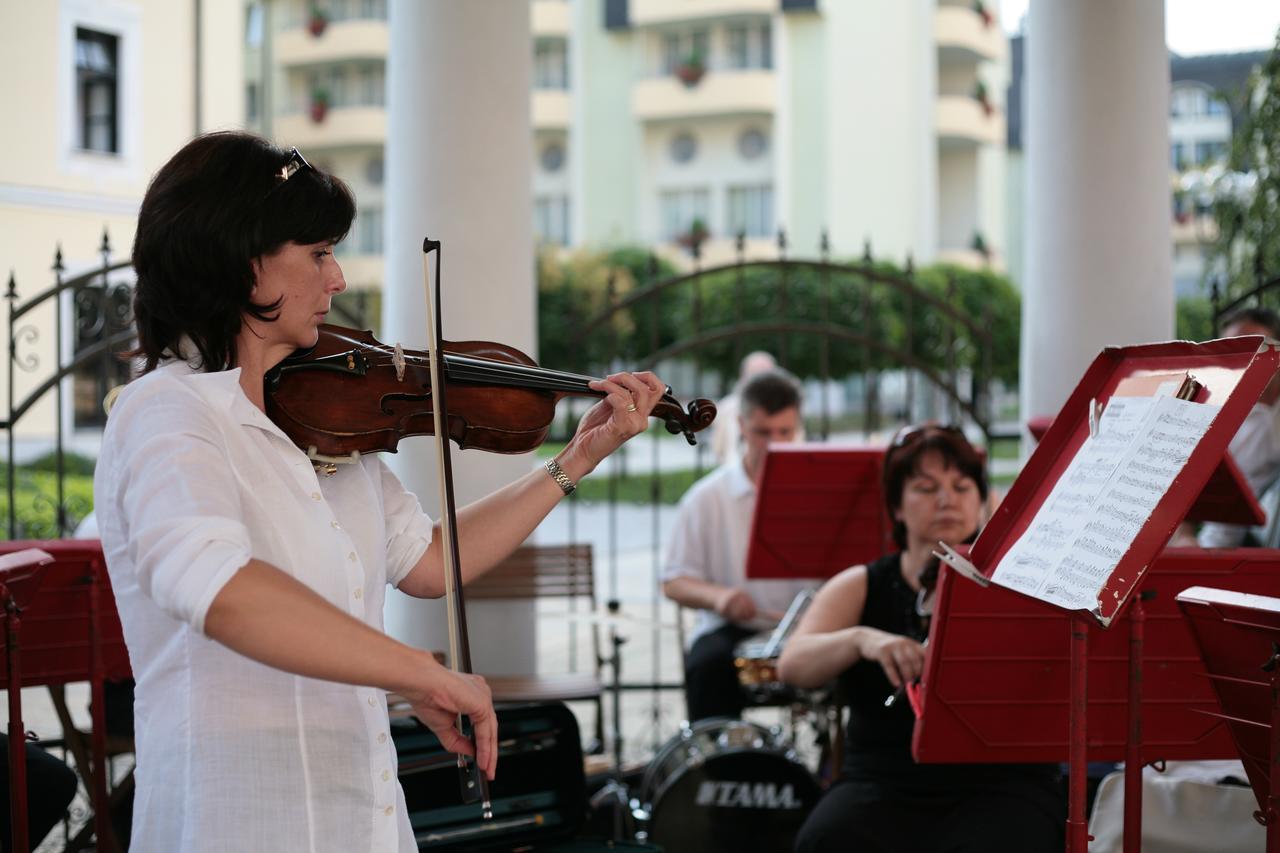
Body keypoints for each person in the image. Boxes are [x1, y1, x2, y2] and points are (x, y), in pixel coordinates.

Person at [93, 131, 668, 852]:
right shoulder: (167, 415)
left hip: (362, 815)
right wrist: (418, 670)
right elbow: (220, 587)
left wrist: (579, 457)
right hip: (238, 818)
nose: (336, 280)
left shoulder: (321, 423)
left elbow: (428, 560)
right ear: (245, 264)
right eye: (318, 253)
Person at [778, 425, 1063, 853]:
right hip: (884, 780)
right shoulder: (862, 584)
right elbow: (793, 664)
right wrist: (860, 639)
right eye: (926, 488)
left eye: (963, 486)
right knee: (826, 838)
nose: (947, 499)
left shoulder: (1019, 581)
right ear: (896, 506)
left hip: (1001, 783)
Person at [662, 368, 813, 722]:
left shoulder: (820, 492)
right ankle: (722, 768)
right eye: (763, 432)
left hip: (810, 626)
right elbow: (674, 580)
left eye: (784, 432)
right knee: (706, 665)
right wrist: (720, 598)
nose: (773, 444)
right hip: (730, 630)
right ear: (742, 425)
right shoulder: (706, 497)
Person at [1198, 307, 1280, 547]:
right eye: (1232, 350)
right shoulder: (1216, 415)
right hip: (1221, 546)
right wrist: (1185, 536)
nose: (1245, 359)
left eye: (1256, 348)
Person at [709, 350, 779, 464]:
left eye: (766, 375)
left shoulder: (787, 411)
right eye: (755, 374)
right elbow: (718, 450)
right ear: (744, 377)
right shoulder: (726, 408)